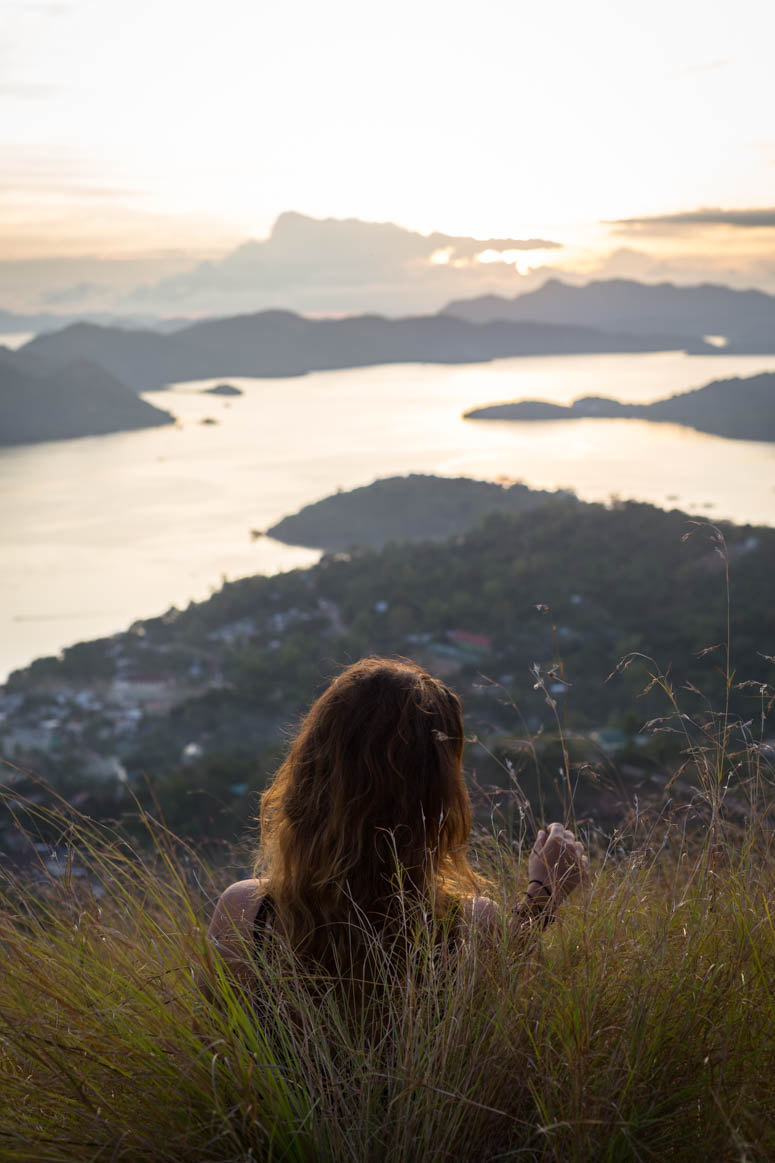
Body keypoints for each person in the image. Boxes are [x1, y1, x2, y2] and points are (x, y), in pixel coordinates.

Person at [207, 657, 587, 988]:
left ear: (309, 777)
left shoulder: (244, 912)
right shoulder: (469, 926)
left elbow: (212, 1055)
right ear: (437, 795)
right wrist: (544, 892)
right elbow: (501, 998)